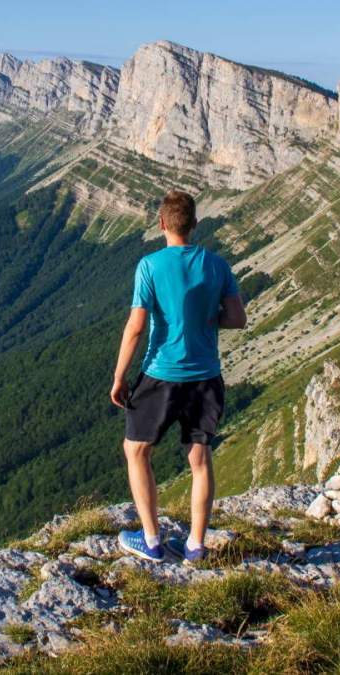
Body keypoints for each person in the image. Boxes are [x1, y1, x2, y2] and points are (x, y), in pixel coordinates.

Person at [110, 190, 246, 564]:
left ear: (162, 224)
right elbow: (237, 319)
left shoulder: (150, 266)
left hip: (161, 374)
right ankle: (196, 546)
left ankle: (151, 540)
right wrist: (206, 319)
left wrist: (120, 376)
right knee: (199, 459)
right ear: (195, 224)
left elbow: (136, 327)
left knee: (136, 450)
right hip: (206, 377)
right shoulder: (217, 265)